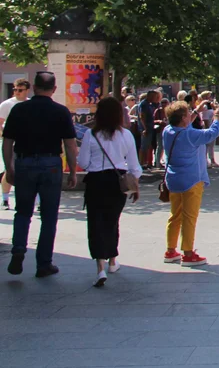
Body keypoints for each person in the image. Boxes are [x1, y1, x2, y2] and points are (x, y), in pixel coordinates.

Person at [2, 71, 78, 277]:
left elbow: (7, 142)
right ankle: (44, 263)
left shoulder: (19, 110)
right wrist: (72, 171)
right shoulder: (60, 111)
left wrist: (10, 168)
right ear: (53, 89)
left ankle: (18, 250)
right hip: (51, 163)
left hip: (25, 162)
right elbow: (70, 145)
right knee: (49, 215)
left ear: (34, 88)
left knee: (23, 211)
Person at [77, 96, 141, 287]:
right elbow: (135, 166)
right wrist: (135, 184)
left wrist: (93, 165)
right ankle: (113, 260)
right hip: (117, 180)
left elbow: (83, 162)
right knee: (112, 221)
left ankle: (100, 266)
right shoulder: (125, 135)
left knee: (95, 222)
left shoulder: (91, 134)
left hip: (96, 180)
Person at [162, 100, 219, 267]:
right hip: (192, 179)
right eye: (188, 113)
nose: (190, 115)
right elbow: (212, 133)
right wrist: (217, 114)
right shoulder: (191, 135)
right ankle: (188, 253)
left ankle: (170, 250)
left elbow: (184, 126)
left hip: (173, 179)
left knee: (175, 215)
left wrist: (196, 110)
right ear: (182, 118)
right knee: (189, 217)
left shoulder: (168, 131)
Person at [0, 78, 31, 210]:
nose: (16, 92)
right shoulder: (7, 104)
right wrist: (5, 136)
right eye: (14, 89)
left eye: (20, 90)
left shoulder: (31, 104)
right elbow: (0, 123)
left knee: (30, 171)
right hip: (11, 143)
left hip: (28, 143)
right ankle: (5, 199)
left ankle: (36, 201)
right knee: (9, 170)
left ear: (27, 90)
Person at [138, 89, 160, 169]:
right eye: (154, 97)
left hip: (150, 127)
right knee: (144, 146)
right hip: (146, 128)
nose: (155, 98)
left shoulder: (150, 104)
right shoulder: (144, 104)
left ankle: (145, 162)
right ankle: (141, 163)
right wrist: (145, 128)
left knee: (147, 146)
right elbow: (142, 117)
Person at [196, 92, 218, 167]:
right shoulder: (205, 107)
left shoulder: (209, 106)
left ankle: (212, 160)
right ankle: (205, 161)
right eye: (209, 96)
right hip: (207, 126)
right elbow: (205, 119)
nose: (210, 98)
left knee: (211, 145)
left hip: (211, 125)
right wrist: (208, 129)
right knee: (206, 145)